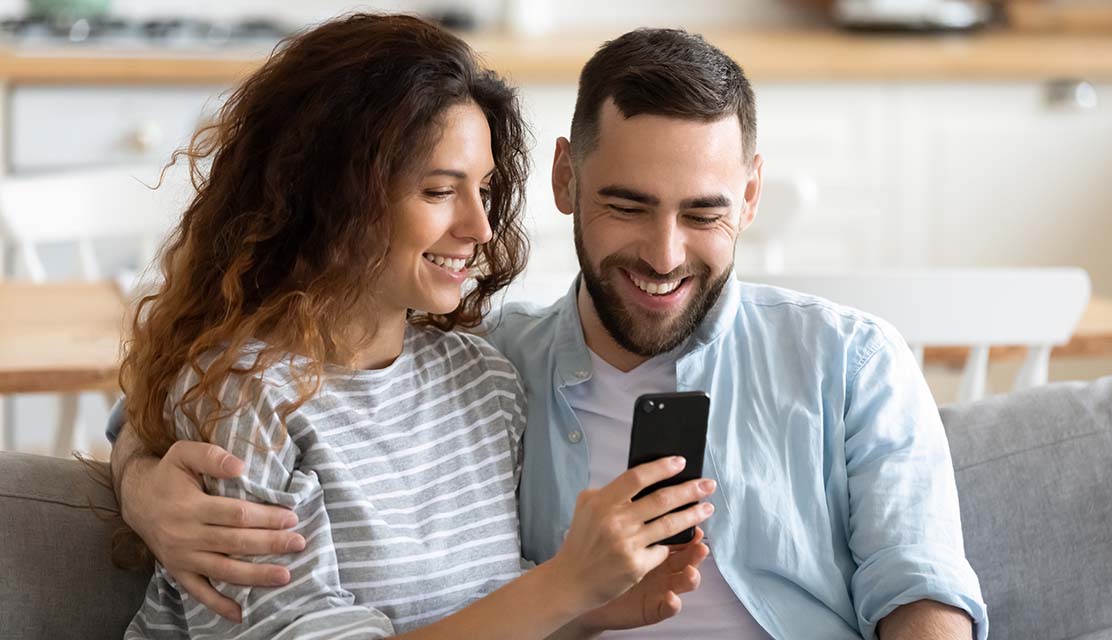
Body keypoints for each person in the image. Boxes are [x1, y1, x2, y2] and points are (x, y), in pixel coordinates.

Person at [110, 26, 989, 640]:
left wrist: (591, 605)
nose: (664, 254)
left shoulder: (849, 360)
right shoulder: (505, 361)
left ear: (751, 196)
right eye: (627, 205)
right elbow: (189, 403)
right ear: (568, 178)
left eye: (705, 212)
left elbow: (921, 587)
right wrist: (142, 481)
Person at [112, 14, 715, 640]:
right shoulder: (246, 397)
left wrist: (595, 607)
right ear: (331, 196)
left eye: (483, 188)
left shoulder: (483, 380)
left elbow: (488, 611)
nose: (480, 228)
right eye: (437, 191)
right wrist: (564, 585)